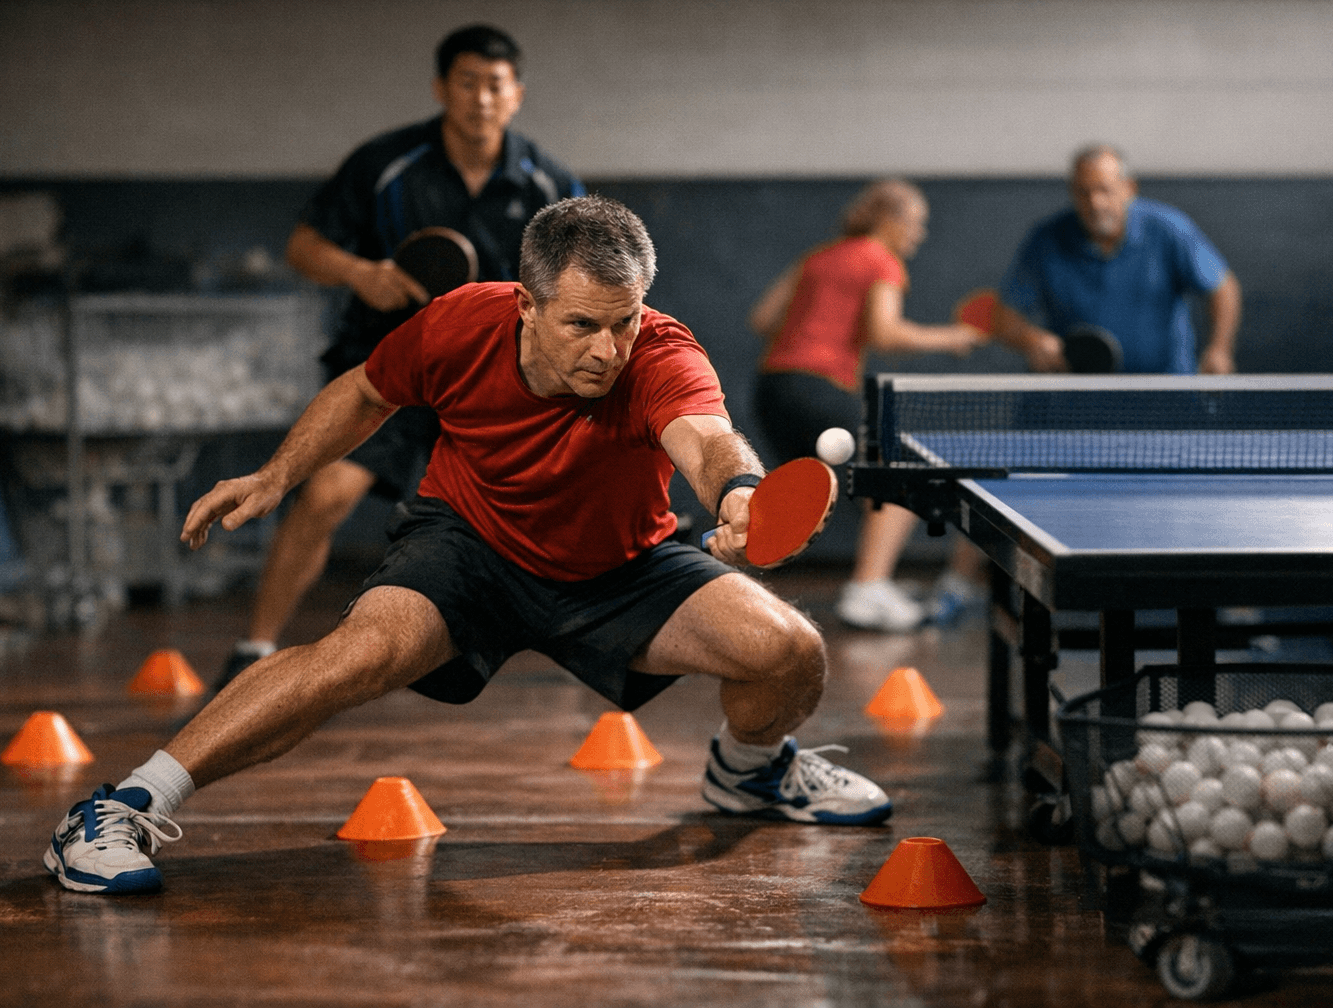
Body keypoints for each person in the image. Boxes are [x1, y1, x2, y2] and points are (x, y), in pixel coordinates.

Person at [43, 196, 894, 896]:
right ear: (526, 304)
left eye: (625, 321)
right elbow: (365, 391)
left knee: (789, 650)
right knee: (356, 655)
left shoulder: (661, 356)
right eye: (582, 324)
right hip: (471, 544)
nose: (608, 350)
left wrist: (741, 494)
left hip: (617, 565)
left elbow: (706, 440)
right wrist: (278, 474)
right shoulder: (460, 325)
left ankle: (748, 773)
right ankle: (121, 807)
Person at [214, 24, 585, 691]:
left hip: (490, 372)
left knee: (537, 507)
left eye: (495, 85)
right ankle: (254, 647)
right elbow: (303, 247)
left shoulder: (547, 182)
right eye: (467, 82)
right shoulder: (384, 164)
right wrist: (361, 273)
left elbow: (579, 278)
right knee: (325, 496)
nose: (481, 98)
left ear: (517, 95)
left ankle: (559, 642)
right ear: (441, 88)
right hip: (384, 364)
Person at [749, 179, 986, 632]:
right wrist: (951, 338)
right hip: (821, 387)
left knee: (865, 484)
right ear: (888, 219)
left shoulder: (818, 257)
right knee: (901, 471)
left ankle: (872, 579)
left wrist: (818, 329)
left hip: (773, 391)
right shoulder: (881, 260)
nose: (919, 234)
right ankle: (868, 587)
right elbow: (885, 332)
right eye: (915, 223)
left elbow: (762, 319)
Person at [992, 144, 1242, 375]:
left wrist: (1220, 349)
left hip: (1167, 391)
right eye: (1083, 192)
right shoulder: (1045, 240)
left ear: (1128, 189)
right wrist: (1033, 340)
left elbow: (1223, 288)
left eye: (1104, 190)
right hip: (1077, 396)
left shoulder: (1170, 229)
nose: (1095, 203)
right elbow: (1004, 316)